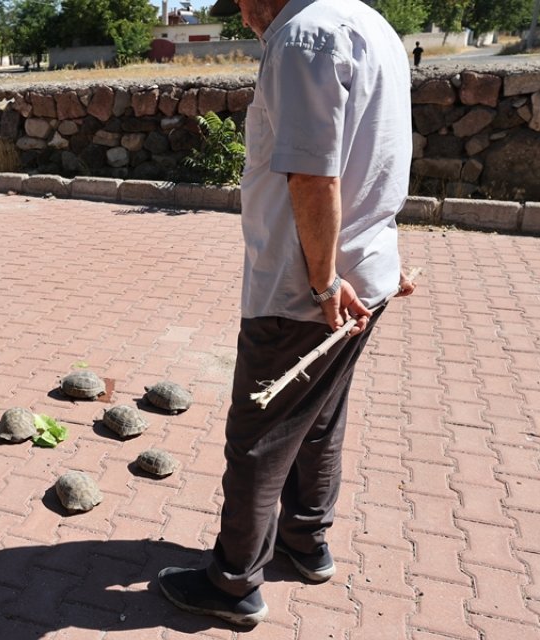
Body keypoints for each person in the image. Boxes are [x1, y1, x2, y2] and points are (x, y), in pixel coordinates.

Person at [156, 0, 416, 627]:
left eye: (243, 3)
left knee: (259, 436)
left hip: (306, 293)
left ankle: (234, 582)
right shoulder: (370, 21)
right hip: (364, 274)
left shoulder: (303, 36)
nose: (244, 16)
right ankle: (305, 543)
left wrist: (324, 284)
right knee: (319, 420)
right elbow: (373, 153)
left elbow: (312, 175)